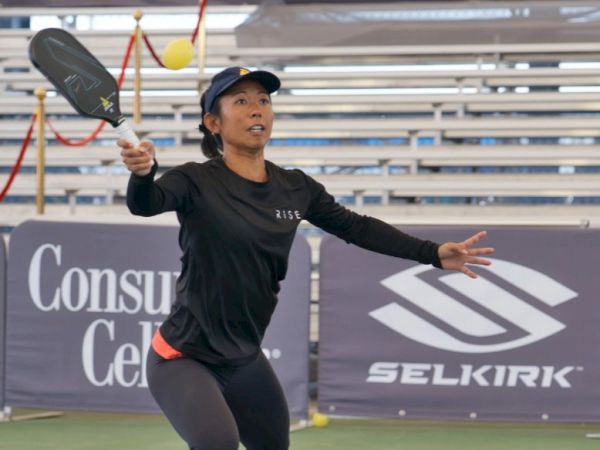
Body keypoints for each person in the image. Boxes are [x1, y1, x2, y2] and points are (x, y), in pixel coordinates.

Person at [118, 66, 494, 450]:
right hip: (184, 356)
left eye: (263, 101)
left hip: (244, 357)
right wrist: (143, 175)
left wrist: (431, 253)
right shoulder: (194, 180)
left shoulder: (295, 188)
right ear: (213, 122)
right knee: (218, 444)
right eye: (242, 101)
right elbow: (146, 204)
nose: (256, 110)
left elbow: (356, 227)